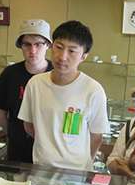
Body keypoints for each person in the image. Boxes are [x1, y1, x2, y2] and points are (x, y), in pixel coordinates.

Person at [18, 20, 109, 170]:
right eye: (58, 47)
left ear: (84, 56)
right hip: (41, 169)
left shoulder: (93, 90)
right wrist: (48, 146)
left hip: (76, 174)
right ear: (51, 46)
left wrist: (83, 164)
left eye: (72, 51)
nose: (62, 56)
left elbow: (96, 136)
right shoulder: (35, 84)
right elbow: (28, 125)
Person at [0, 19, 53, 163]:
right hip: (17, 150)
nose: (32, 51)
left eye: (38, 44)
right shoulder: (10, 74)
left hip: (50, 151)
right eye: (27, 44)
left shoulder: (56, 75)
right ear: (21, 46)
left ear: (48, 45)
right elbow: (0, 112)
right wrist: (12, 134)